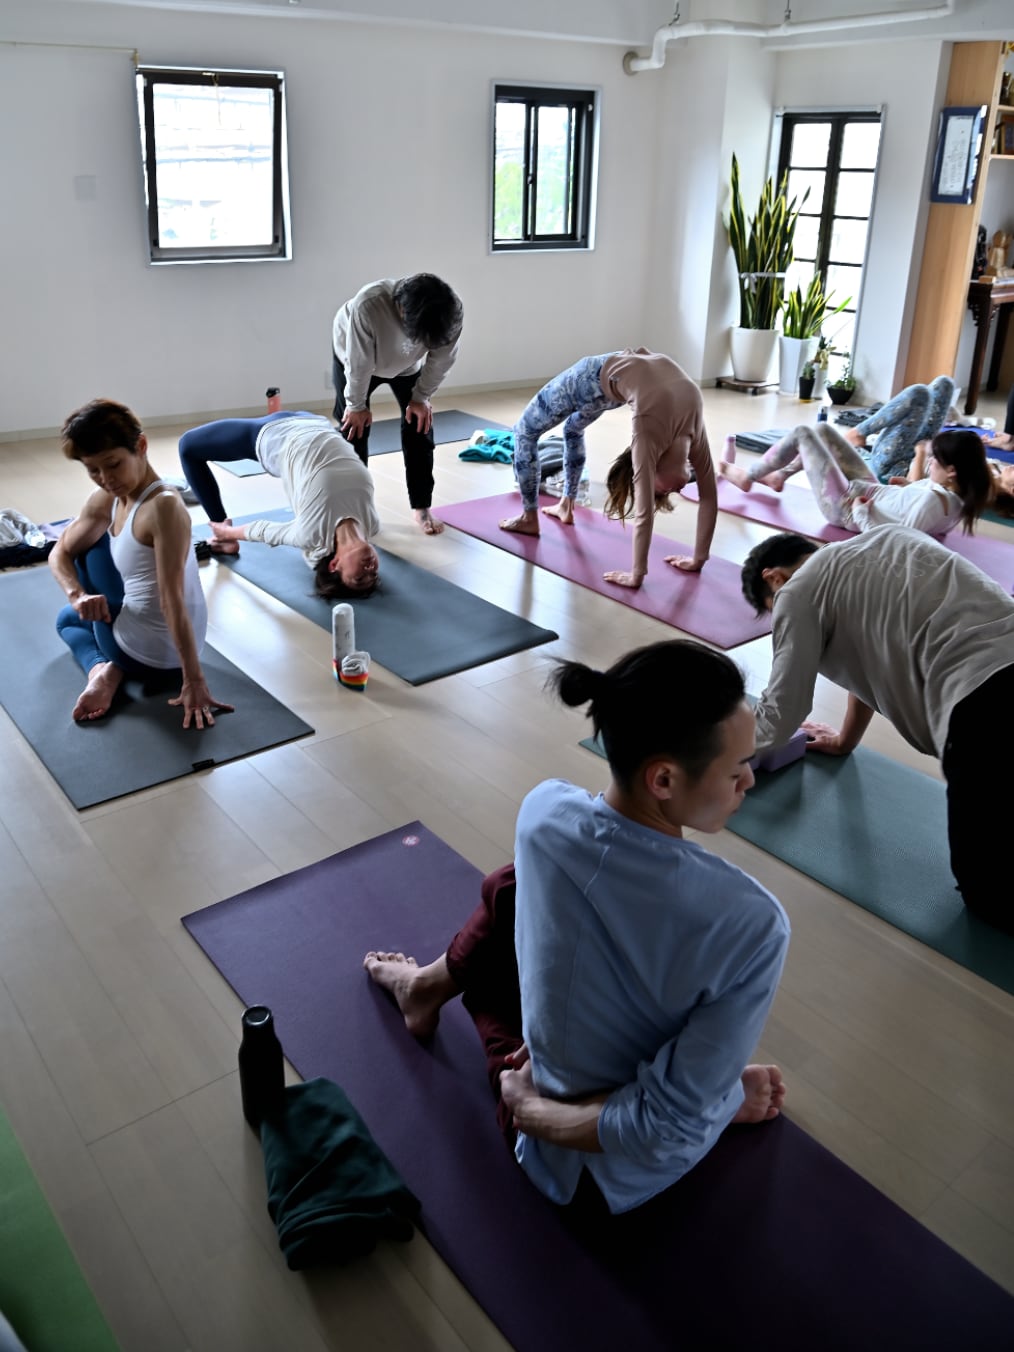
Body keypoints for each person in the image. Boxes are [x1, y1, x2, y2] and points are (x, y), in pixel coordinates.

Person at [364, 640, 790, 1214]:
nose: (750, 783)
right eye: (737, 770)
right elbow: (661, 1131)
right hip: (590, 1176)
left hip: (566, 1110)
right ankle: (717, 1102)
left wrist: (536, 1097)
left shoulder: (543, 810)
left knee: (512, 885)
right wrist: (529, 1110)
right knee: (514, 917)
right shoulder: (752, 924)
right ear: (664, 779)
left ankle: (426, 988)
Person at [741, 526, 1014, 933]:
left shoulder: (795, 592)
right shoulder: (887, 539)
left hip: (984, 704)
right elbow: (869, 659)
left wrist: (712, 754)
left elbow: (781, 715)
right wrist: (845, 740)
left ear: (773, 578)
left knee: (988, 894)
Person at [51, 398, 230, 727]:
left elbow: (172, 599)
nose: (106, 478)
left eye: (113, 464)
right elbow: (56, 553)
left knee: (69, 615)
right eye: (93, 470)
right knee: (73, 598)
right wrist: (77, 595)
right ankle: (109, 670)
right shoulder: (109, 497)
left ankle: (103, 668)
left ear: (141, 446)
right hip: (167, 653)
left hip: (149, 654)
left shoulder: (163, 506)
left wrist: (194, 680)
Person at [498, 349, 719, 590]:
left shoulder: (655, 436)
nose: (671, 492)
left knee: (540, 431)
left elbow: (708, 497)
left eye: (661, 492)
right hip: (593, 376)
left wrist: (698, 559)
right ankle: (538, 514)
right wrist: (637, 574)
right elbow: (648, 511)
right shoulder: (673, 434)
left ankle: (553, 510)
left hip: (613, 383)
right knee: (530, 431)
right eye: (662, 492)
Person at [178, 411, 381, 599]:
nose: (370, 570)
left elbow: (263, 531)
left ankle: (222, 538)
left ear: (334, 565)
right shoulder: (370, 523)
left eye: (359, 578)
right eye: (373, 575)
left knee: (187, 446)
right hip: (316, 422)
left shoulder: (311, 533)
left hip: (274, 435)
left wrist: (226, 533)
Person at [331, 274, 463, 536]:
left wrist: (421, 397)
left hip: (405, 365)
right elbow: (359, 363)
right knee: (354, 430)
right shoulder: (369, 305)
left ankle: (421, 507)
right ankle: (353, 511)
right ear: (401, 310)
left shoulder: (450, 312)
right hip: (354, 358)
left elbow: (442, 360)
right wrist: (356, 405)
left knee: (420, 426)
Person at [721, 423, 992, 539]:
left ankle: (748, 476)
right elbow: (928, 514)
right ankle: (779, 475)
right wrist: (908, 490)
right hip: (870, 489)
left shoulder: (933, 502)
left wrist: (861, 513)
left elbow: (896, 543)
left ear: (952, 470)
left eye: (934, 460)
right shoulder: (959, 497)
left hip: (847, 507)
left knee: (803, 433)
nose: (929, 462)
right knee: (822, 430)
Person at [836, 374, 956, 481]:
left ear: (951, 471)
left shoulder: (945, 489)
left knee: (919, 394)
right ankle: (857, 433)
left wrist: (921, 453)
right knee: (945, 383)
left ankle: (858, 432)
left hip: (892, 467)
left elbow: (913, 486)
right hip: (926, 446)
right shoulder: (959, 472)